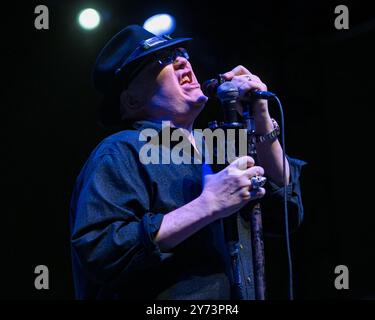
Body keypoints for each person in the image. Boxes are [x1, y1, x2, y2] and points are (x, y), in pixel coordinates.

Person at [70, 24, 306, 299]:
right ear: (132, 100)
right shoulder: (121, 150)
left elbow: (287, 209)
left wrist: (261, 117)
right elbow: (101, 250)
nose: (182, 61)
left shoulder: (219, 144)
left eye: (180, 52)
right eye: (162, 60)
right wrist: (208, 205)